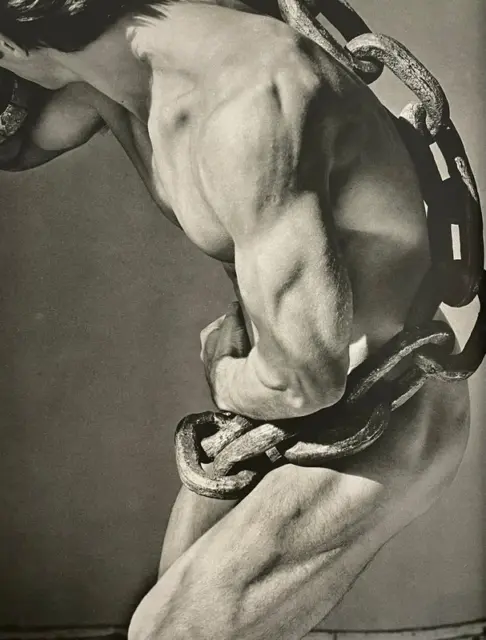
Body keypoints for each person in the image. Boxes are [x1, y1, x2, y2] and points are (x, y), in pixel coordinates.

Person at [0, 0, 470, 638]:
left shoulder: (252, 105)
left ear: (13, 47)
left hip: (381, 414)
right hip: (266, 424)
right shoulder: (114, 74)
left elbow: (306, 380)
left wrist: (220, 370)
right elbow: (19, 144)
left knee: (167, 631)